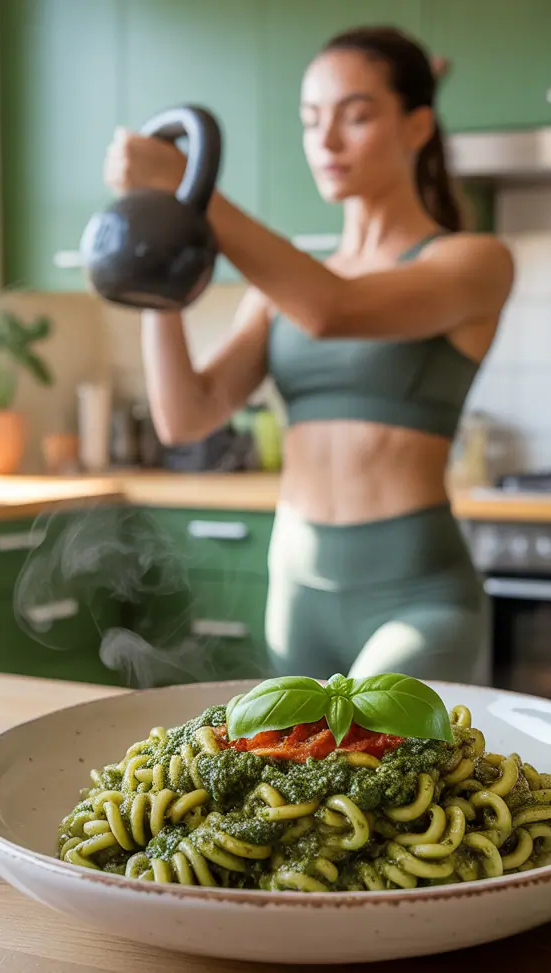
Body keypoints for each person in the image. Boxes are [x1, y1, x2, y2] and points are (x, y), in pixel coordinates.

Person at [103, 25, 515, 684]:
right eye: (310, 120)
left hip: (417, 597)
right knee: (298, 783)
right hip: (296, 589)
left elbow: (335, 311)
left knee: (371, 765)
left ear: (417, 127)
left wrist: (194, 188)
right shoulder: (285, 288)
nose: (325, 142)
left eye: (355, 116)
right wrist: (159, 247)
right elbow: (187, 416)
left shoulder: (473, 261)